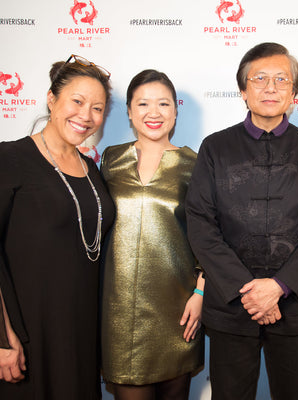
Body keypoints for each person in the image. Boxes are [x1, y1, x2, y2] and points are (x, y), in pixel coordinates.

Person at [185, 42, 298, 400]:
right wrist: (248, 288)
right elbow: (200, 222)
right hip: (230, 305)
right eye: (259, 79)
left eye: (280, 80)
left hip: (293, 305)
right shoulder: (215, 147)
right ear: (243, 90)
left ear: (294, 93)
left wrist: (279, 286)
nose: (270, 87)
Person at [0, 55, 115, 399]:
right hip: (24, 335)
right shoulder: (6, 160)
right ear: (51, 99)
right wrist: (1, 337)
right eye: (77, 101)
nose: (86, 116)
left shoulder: (91, 170)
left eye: (97, 108)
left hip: (78, 335)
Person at [99, 69, 204, 400]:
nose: (153, 113)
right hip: (118, 309)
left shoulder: (195, 164)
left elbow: (209, 235)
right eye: (143, 104)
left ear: (175, 111)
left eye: (163, 104)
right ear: (129, 111)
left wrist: (201, 294)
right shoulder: (109, 159)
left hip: (179, 306)